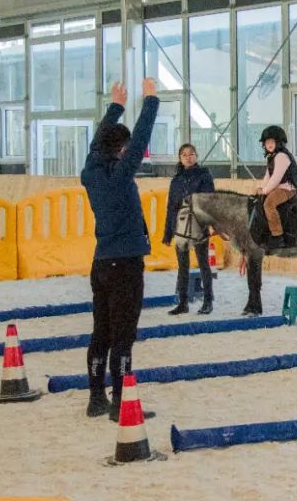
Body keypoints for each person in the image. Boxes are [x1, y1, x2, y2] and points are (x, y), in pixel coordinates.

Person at [80, 78, 159, 421]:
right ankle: (121, 402)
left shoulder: (91, 171)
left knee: (102, 333)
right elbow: (140, 140)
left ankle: (96, 398)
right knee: (123, 337)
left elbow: (100, 140)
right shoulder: (119, 175)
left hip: (101, 264)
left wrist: (116, 106)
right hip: (125, 263)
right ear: (122, 150)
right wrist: (151, 102)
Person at [162, 143, 216, 315]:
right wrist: (168, 232)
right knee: (182, 265)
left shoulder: (204, 175)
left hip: (198, 224)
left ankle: (208, 301)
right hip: (180, 226)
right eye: (184, 154)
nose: (188, 157)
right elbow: (170, 206)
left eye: (191, 154)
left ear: (196, 156)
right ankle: (183, 302)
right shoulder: (176, 180)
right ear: (180, 158)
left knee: (203, 263)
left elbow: (209, 199)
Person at [254, 125, 297, 251]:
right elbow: (267, 176)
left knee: (269, 204)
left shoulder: (282, 156)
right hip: (278, 187)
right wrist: (260, 188)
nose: (268, 144)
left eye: (271, 141)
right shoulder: (272, 157)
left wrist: (264, 191)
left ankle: (277, 236)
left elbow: (276, 178)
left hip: (287, 188)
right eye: (266, 142)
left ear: (278, 142)